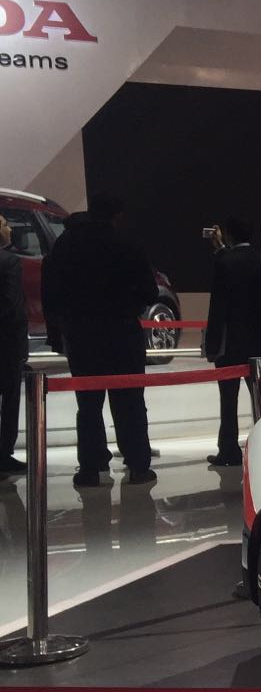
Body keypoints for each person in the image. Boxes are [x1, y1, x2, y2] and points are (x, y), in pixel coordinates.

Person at [40, 192, 156, 488]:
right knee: (129, 401)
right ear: (117, 215)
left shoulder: (66, 245)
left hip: (82, 334)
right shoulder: (126, 244)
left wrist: (60, 330)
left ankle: (91, 466)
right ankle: (138, 464)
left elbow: (51, 292)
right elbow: (149, 291)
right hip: (122, 333)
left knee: (88, 404)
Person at [203, 217, 261, 466]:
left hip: (231, 343)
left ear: (229, 235)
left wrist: (212, 344)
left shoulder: (225, 262)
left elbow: (218, 308)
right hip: (258, 342)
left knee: (228, 399)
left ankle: (228, 449)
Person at [0, 217, 24, 474]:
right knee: (9, 399)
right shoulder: (9, 262)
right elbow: (12, 307)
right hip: (6, 343)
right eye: (5, 224)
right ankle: (4, 453)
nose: (9, 229)